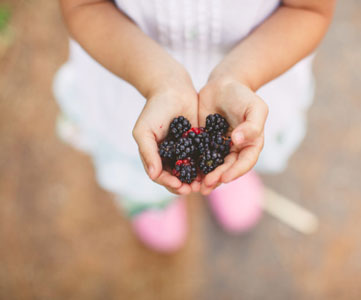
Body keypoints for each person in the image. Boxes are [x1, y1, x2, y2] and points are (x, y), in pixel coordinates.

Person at [54, 0, 335, 253]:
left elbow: (309, 9)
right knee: (144, 160)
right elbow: (83, 6)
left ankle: (224, 179)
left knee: (237, 143)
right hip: (130, 78)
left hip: (254, 76)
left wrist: (239, 77)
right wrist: (158, 80)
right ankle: (154, 201)